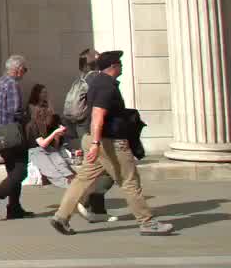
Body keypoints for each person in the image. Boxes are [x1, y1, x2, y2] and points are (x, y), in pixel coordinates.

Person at [50, 51, 174, 236]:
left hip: (96, 140)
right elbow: (98, 116)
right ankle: (147, 222)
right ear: (113, 67)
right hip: (110, 143)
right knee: (129, 181)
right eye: (120, 64)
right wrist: (96, 143)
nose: (122, 66)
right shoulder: (106, 86)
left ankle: (61, 217)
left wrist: (94, 143)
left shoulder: (96, 82)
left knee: (82, 179)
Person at [65, 48, 117, 223]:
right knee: (109, 170)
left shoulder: (81, 78)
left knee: (97, 168)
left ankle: (98, 211)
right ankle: (85, 199)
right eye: (98, 55)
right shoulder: (98, 78)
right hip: (94, 130)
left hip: (83, 128)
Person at [0, 55, 31, 221]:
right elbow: (15, 110)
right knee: (21, 170)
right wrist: (27, 116)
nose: (25, 73)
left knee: (12, 170)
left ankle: (15, 208)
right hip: (11, 134)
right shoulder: (12, 84)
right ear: (17, 70)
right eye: (24, 69)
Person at [26, 114, 75, 188]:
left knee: (60, 163)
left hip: (48, 148)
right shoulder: (33, 124)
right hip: (34, 150)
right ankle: (68, 184)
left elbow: (55, 146)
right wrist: (55, 133)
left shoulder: (51, 124)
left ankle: (72, 178)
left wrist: (57, 136)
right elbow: (42, 144)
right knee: (50, 169)